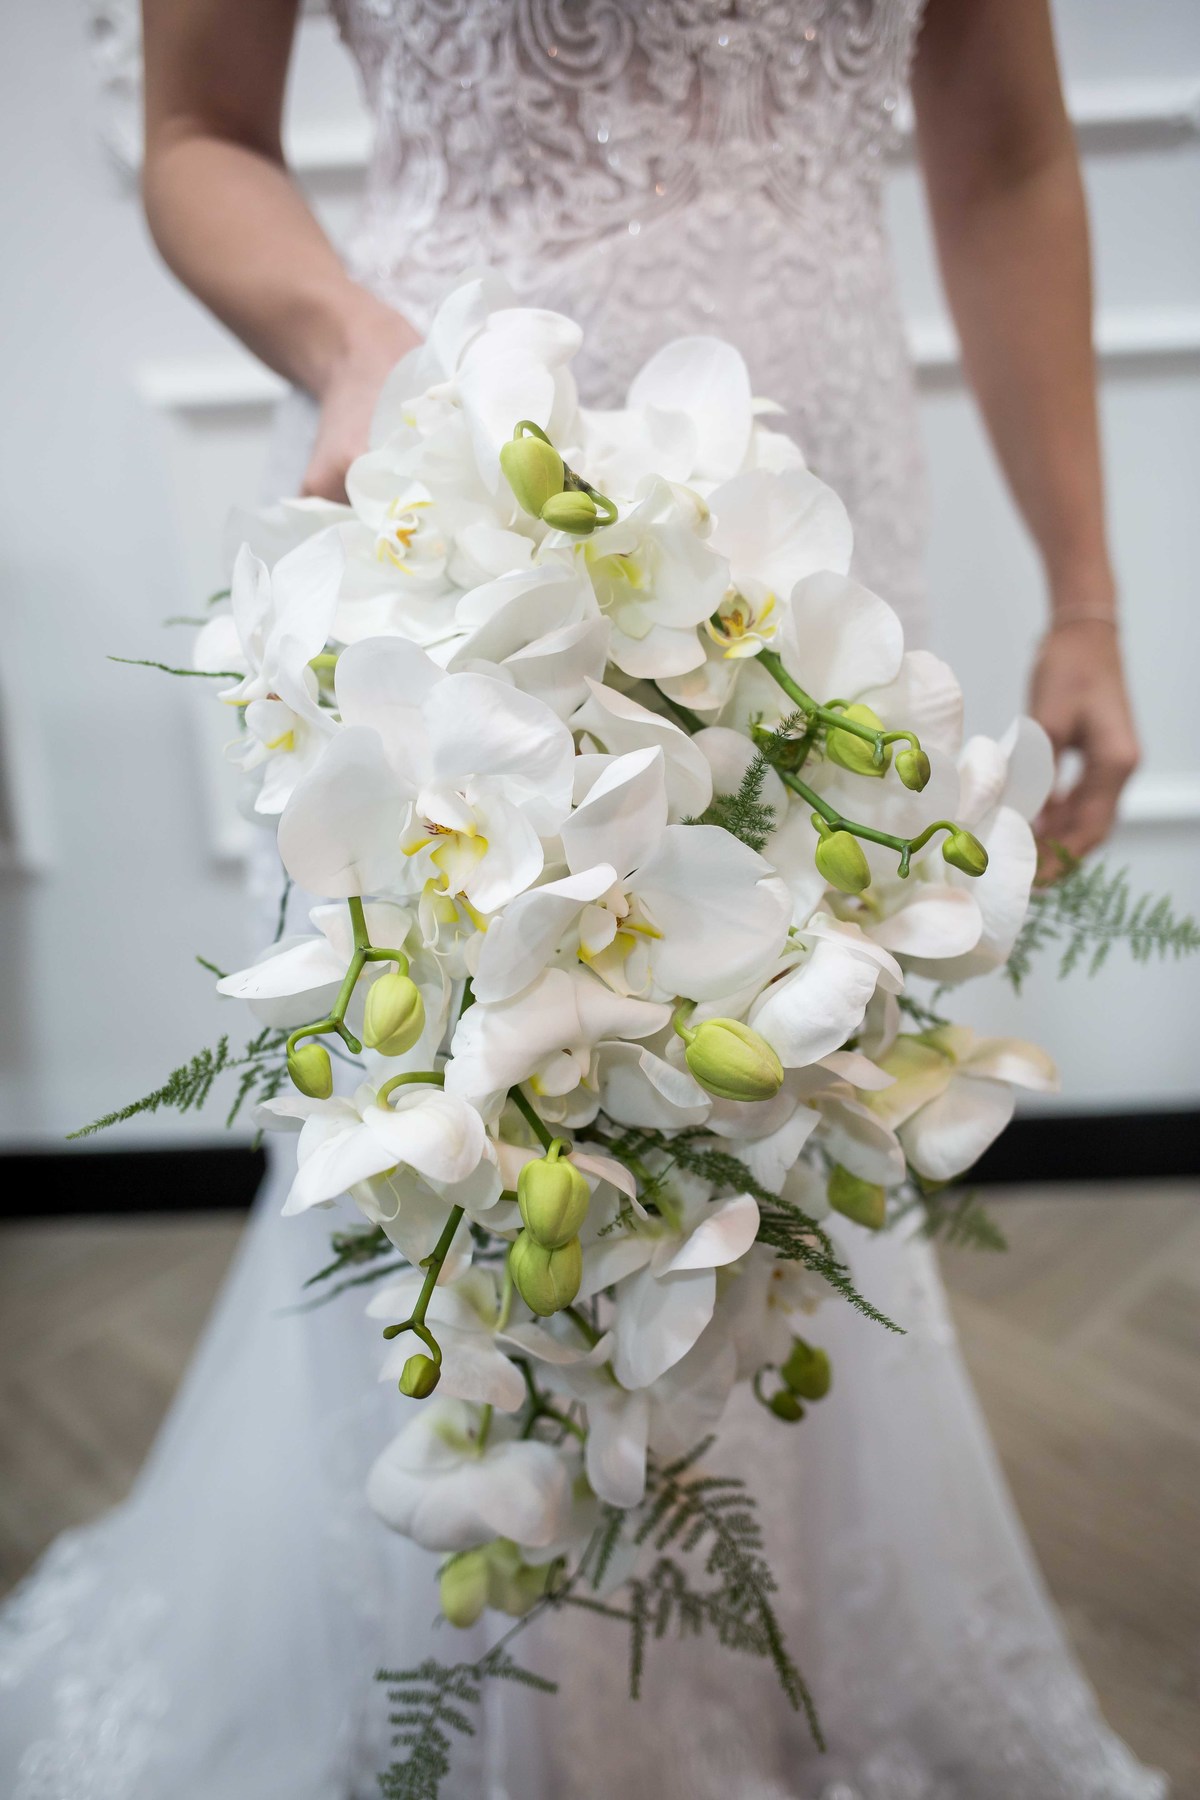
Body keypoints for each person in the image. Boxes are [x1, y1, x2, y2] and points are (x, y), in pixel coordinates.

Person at [0, 2, 1159, 1796]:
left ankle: (788, 1681)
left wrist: (1084, 591)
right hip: (451, 507)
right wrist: (354, 348)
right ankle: (477, 1709)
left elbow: (1006, 151)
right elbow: (196, 133)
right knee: (463, 1155)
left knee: (796, 1097)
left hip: (805, 529)